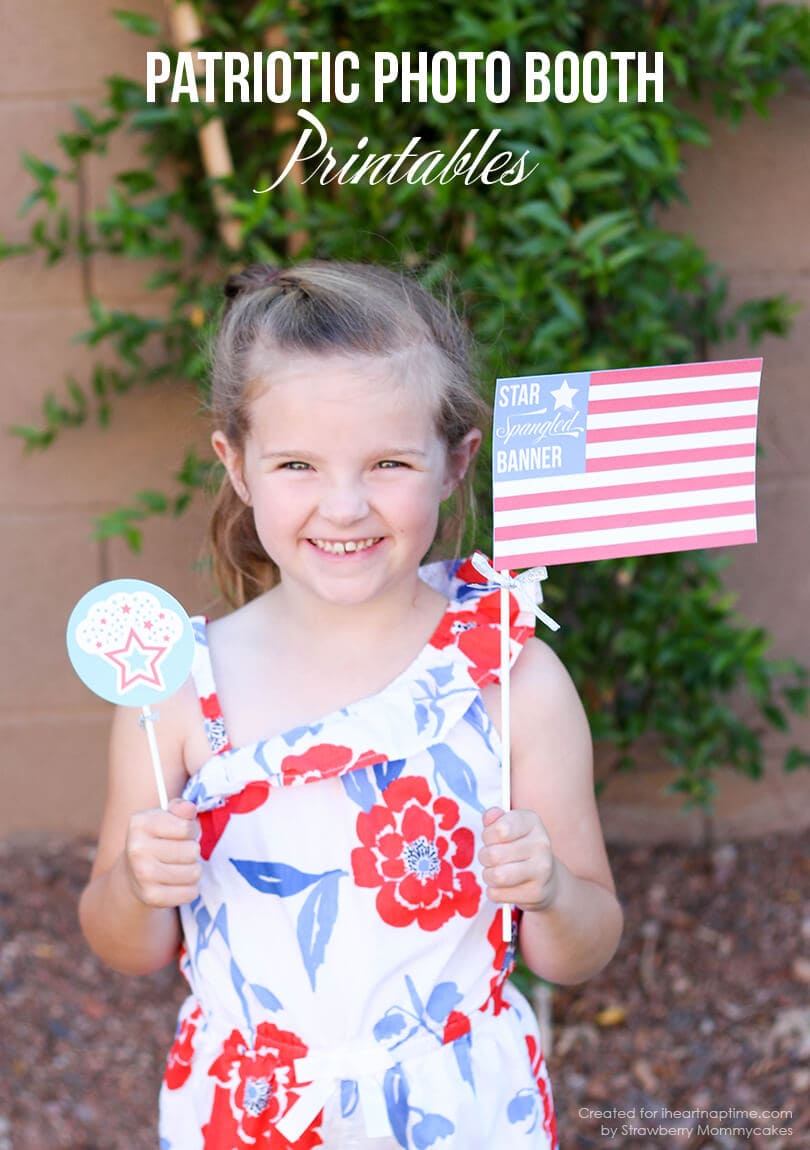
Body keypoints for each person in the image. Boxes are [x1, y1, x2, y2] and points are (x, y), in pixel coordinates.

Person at [79, 261, 623, 1149]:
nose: (343, 505)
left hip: (459, 1107)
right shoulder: (177, 686)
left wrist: (552, 892)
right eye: (297, 463)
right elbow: (124, 943)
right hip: (249, 1112)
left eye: (388, 463)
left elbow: (584, 946)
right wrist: (141, 885)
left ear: (456, 463)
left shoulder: (510, 679)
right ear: (238, 466)